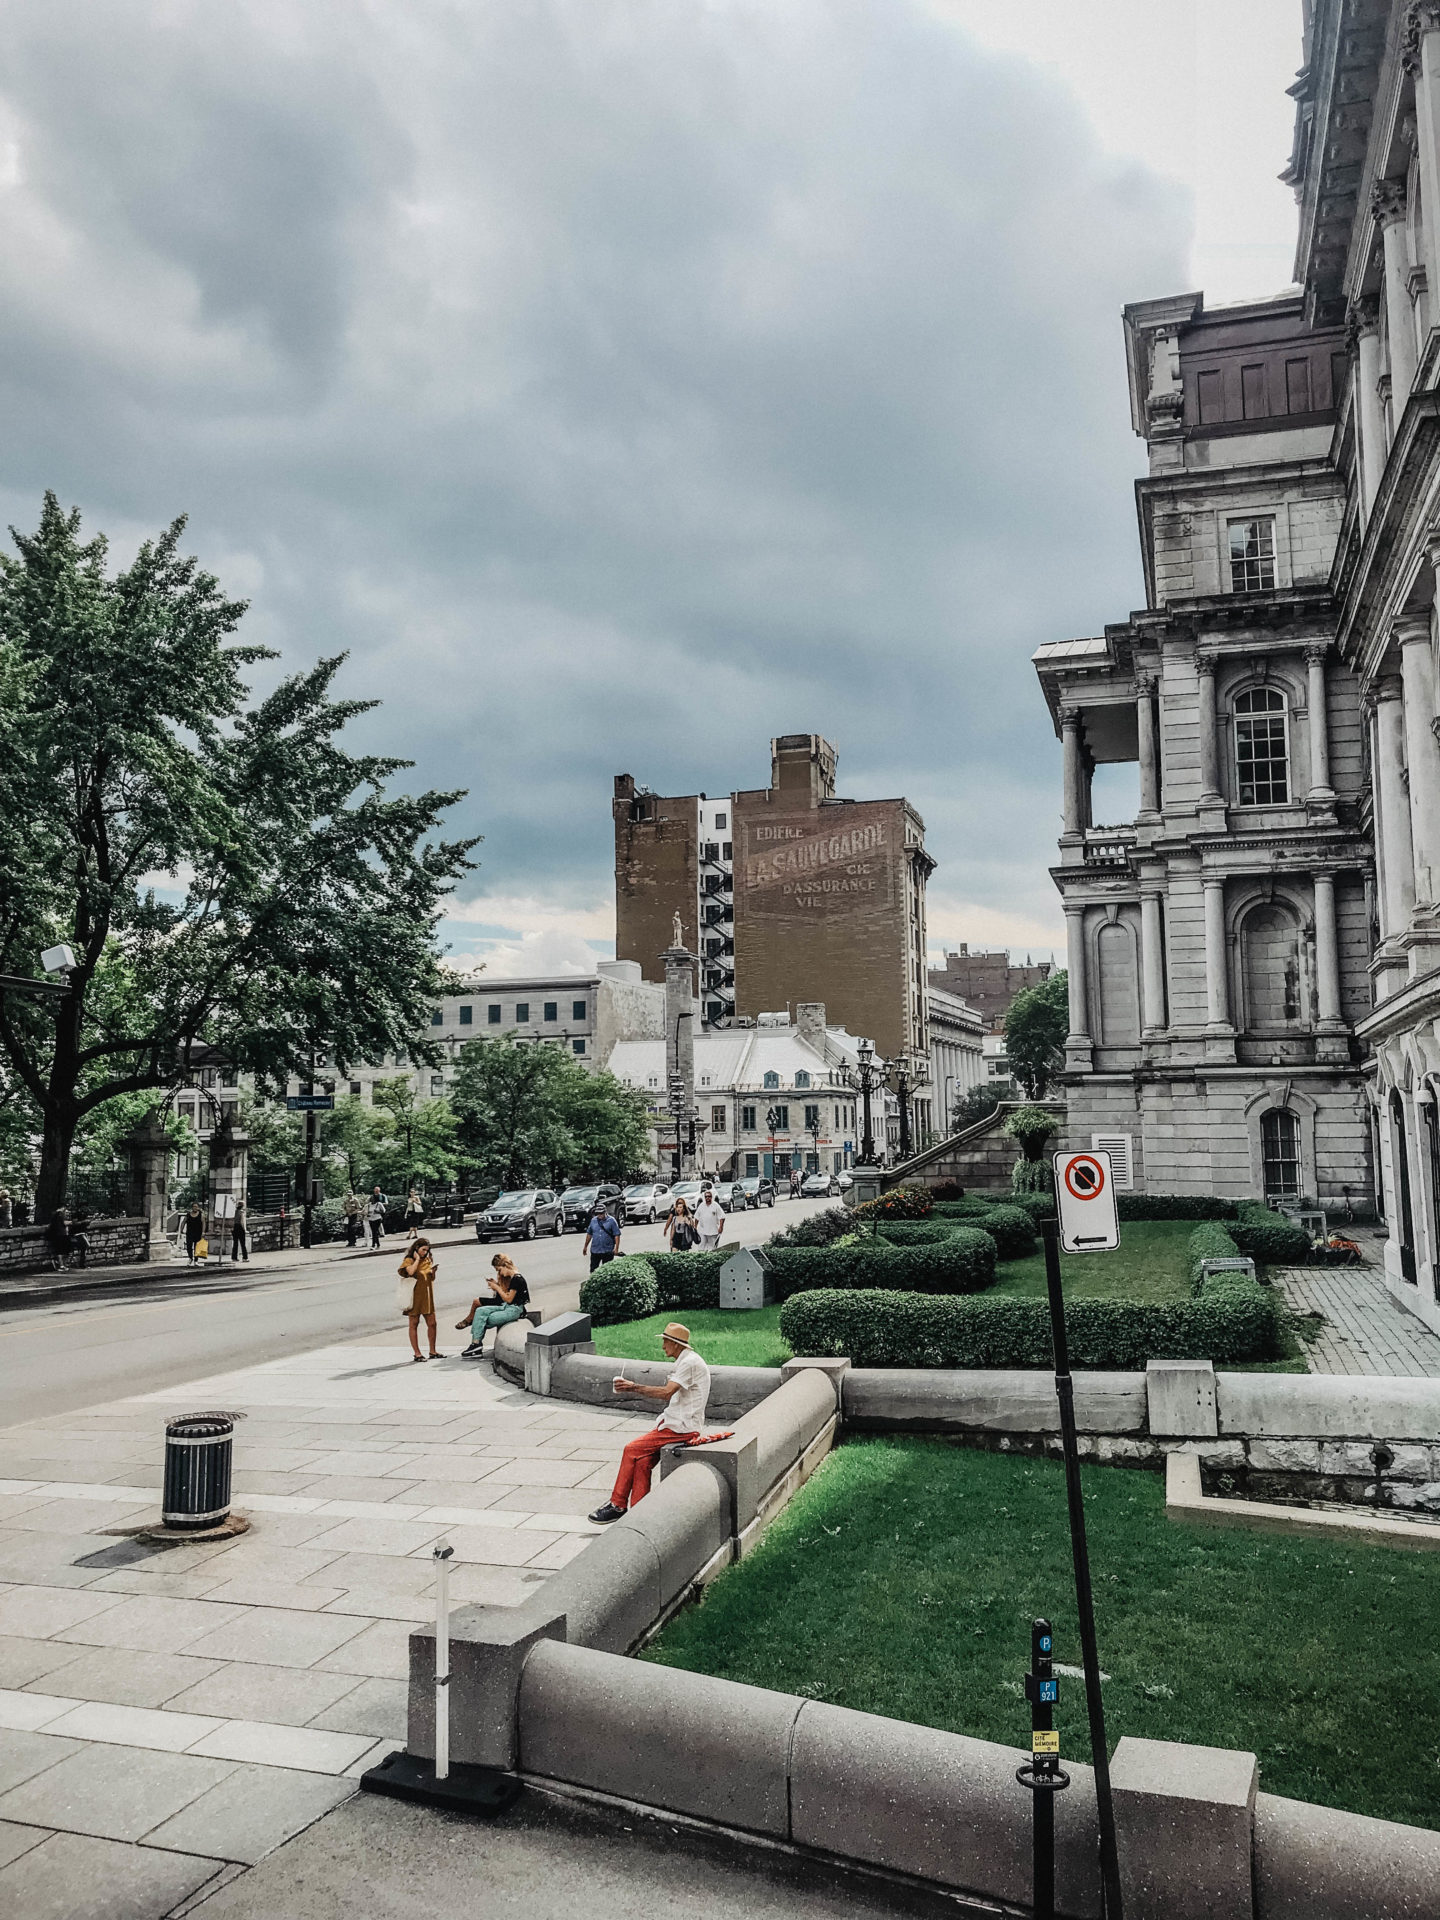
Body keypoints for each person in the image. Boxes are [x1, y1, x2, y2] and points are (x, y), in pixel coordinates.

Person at [589, 1322, 711, 1521]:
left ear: (676, 1344)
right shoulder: (686, 1360)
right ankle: (639, 1512)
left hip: (682, 1428)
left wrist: (632, 1387)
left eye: (665, 1341)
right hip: (678, 1424)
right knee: (642, 1461)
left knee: (631, 1450)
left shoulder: (689, 1363)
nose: (663, 1346)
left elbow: (666, 1393)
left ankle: (617, 1505)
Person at [456, 1253, 530, 1358]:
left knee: (485, 1319)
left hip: (514, 1310)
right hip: (506, 1307)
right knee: (480, 1311)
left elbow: (509, 1299)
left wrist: (497, 1288)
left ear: (505, 1266)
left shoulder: (517, 1279)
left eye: (499, 1270)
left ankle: (476, 1345)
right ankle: (475, 1344)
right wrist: (497, 1285)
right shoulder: (513, 1278)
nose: (500, 1273)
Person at [399, 1234, 441, 1361]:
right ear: (416, 1248)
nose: (425, 1252)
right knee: (414, 1323)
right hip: (414, 1296)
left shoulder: (428, 1260)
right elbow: (410, 1272)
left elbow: (429, 1278)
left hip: (427, 1295)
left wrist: (433, 1272)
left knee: (432, 1323)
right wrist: (417, 1259)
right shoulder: (409, 1260)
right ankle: (417, 1353)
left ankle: (432, 1351)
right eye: (423, 1250)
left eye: (427, 1250)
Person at [583, 1198, 622, 1272]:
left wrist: (616, 1248)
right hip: (595, 1250)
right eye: (597, 1213)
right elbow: (589, 1234)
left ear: (605, 1212)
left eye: (601, 1213)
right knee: (593, 1269)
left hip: (607, 1250)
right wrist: (585, 1246)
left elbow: (617, 1235)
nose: (599, 1215)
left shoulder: (611, 1221)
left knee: (607, 1270)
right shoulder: (593, 1220)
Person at [693, 1184, 725, 1251]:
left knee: (712, 1248)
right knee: (701, 1247)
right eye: (706, 1196)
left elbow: (722, 1217)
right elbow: (696, 1217)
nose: (707, 1198)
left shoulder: (715, 1205)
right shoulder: (701, 1205)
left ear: (712, 1197)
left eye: (709, 1196)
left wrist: (721, 1227)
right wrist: (695, 1227)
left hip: (713, 1231)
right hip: (702, 1230)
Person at [184, 1202, 205, 1267]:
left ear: (198, 1208)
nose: (195, 1208)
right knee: (189, 1246)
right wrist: (181, 1229)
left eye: (196, 1206)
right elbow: (183, 1222)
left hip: (198, 1233)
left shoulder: (201, 1215)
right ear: (192, 1207)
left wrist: (203, 1232)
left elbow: (204, 1223)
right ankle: (190, 1258)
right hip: (189, 1233)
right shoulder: (188, 1215)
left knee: (197, 1247)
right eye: (194, 1206)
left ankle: (196, 1260)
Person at [230, 1198, 249, 1264]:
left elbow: (232, 1220)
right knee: (243, 1243)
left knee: (235, 1243)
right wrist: (244, 1229)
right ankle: (245, 1257)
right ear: (243, 1205)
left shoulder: (234, 1212)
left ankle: (234, 1257)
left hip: (234, 1227)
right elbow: (242, 1222)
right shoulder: (241, 1212)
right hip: (240, 1228)